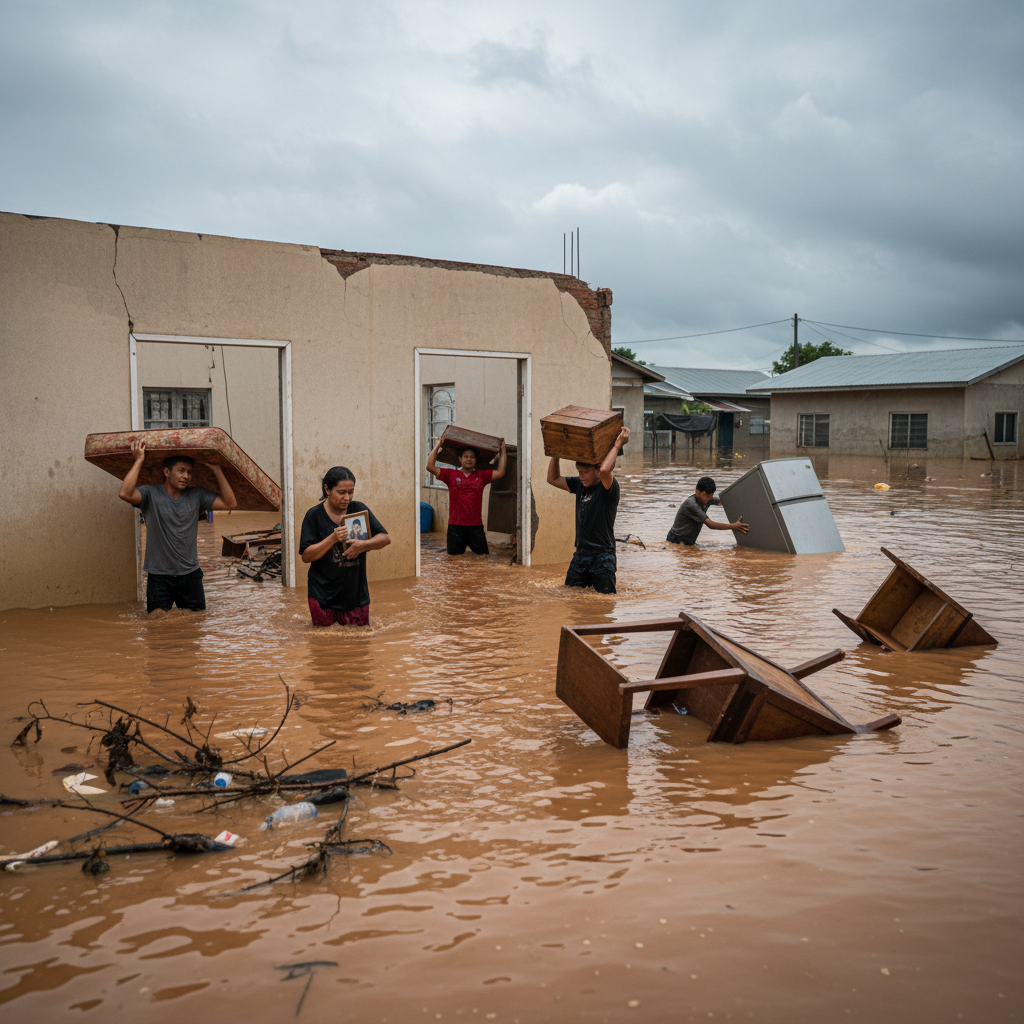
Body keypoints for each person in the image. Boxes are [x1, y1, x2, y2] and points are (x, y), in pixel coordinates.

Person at [118, 437, 238, 613]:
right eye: (181, 471)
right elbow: (125, 493)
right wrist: (139, 460)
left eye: (189, 472)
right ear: (167, 472)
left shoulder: (196, 495)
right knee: (156, 628)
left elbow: (230, 504)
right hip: (159, 577)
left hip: (190, 576)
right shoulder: (150, 494)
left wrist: (216, 470)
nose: (186, 476)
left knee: (195, 627)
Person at [299, 466, 390, 627]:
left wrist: (363, 545)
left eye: (351, 492)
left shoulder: (359, 510)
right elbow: (306, 556)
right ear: (327, 489)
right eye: (341, 492)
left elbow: (385, 538)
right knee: (323, 643)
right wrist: (332, 538)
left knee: (359, 643)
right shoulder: (314, 516)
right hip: (322, 595)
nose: (347, 497)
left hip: (355, 595)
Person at [546, 426, 629, 594]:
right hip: (580, 557)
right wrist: (556, 453)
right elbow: (552, 479)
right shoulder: (579, 485)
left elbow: (606, 469)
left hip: (603, 558)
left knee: (605, 605)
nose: (581, 476)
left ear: (597, 469)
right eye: (579, 472)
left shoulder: (609, 489)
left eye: (585, 472)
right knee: (569, 598)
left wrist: (618, 444)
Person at [426, 439, 507, 555]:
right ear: (460, 458)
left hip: (476, 527)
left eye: (472, 457)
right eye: (466, 456)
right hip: (455, 527)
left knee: (484, 559)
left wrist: (503, 451)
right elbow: (429, 466)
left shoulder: (482, 476)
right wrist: (438, 445)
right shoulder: (450, 475)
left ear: (476, 460)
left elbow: (501, 472)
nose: (469, 459)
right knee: (453, 561)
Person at [666, 476, 749, 545]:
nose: (708, 499)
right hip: (676, 541)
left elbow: (723, 503)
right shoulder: (691, 504)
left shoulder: (707, 499)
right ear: (698, 492)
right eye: (706, 496)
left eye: (711, 496)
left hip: (688, 542)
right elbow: (711, 525)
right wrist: (734, 526)